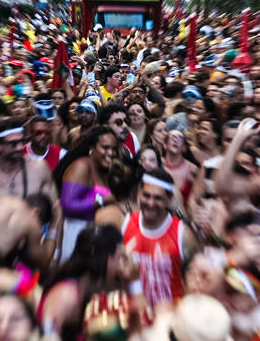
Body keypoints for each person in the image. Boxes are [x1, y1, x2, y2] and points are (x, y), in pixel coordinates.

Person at [121, 168, 198, 308]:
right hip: (133, 314)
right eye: (146, 196)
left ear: (169, 200)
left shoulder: (183, 234)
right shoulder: (125, 224)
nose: (150, 203)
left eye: (158, 198)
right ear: (139, 194)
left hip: (168, 318)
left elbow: (195, 279)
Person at [55, 126, 117, 264]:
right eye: (105, 148)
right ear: (92, 148)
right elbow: (67, 206)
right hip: (76, 236)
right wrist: (101, 200)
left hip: (99, 237)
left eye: (113, 149)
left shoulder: (107, 170)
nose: (111, 153)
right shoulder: (81, 167)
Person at [0, 119, 57, 201]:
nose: (20, 147)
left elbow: (54, 207)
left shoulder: (40, 168)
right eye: (13, 144)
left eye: (21, 141)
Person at [162, 129, 198, 202]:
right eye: (173, 137)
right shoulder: (157, 163)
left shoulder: (192, 169)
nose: (176, 140)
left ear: (184, 147)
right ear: (165, 145)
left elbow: (197, 197)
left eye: (180, 138)